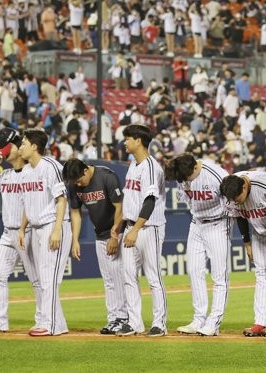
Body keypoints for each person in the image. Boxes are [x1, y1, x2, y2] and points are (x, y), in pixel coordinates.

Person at [0, 128, 42, 333]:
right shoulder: (5, 175)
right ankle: (0, 320)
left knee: (36, 279)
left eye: (11, 147)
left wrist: (25, 230)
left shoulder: (31, 172)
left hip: (28, 232)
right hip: (8, 233)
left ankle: (43, 319)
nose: (7, 152)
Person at [164, 154, 231, 337]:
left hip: (218, 223)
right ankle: (199, 318)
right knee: (194, 271)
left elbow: (231, 204)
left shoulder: (216, 174)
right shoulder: (183, 174)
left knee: (219, 275)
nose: (185, 181)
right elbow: (186, 199)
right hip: (196, 224)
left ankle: (213, 322)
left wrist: (226, 225)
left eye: (187, 177)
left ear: (195, 168)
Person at [219, 171, 266, 338]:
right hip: (258, 231)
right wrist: (247, 242)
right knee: (260, 274)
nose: (236, 200)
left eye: (237, 196)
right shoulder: (231, 188)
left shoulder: (265, 186)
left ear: (245, 186)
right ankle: (259, 321)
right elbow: (240, 216)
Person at [15, 129, 70, 337]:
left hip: (53, 226)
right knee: (44, 278)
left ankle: (52, 324)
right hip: (37, 228)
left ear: (34, 147)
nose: (20, 147)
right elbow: (27, 205)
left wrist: (57, 230)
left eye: (23, 143)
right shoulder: (27, 171)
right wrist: (22, 228)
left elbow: (62, 199)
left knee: (48, 278)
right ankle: (56, 323)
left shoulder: (51, 166)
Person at [62, 159, 127, 335]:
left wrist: (115, 235)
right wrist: (75, 240)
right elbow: (75, 212)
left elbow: (120, 207)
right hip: (100, 233)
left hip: (117, 232)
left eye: (78, 180)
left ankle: (123, 318)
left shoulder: (106, 176)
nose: (76, 184)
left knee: (117, 275)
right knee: (108, 279)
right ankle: (113, 318)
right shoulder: (75, 183)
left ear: (85, 171)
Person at [114, 124, 167, 337]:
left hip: (148, 228)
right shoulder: (132, 165)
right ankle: (135, 323)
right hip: (131, 227)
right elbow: (129, 200)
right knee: (128, 276)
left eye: (128, 138)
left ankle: (159, 323)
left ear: (139, 140)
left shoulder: (151, 167)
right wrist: (118, 228)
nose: (124, 141)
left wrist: (135, 229)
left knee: (153, 277)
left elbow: (150, 201)